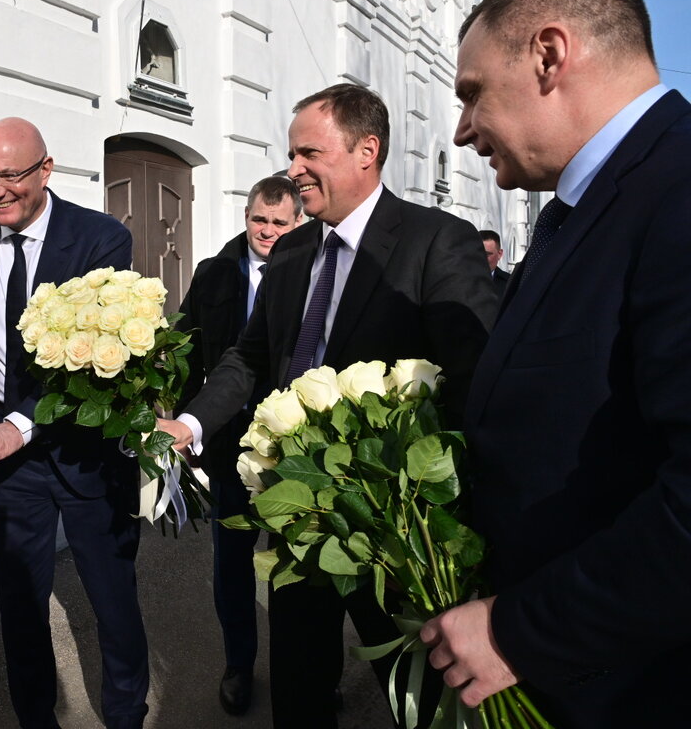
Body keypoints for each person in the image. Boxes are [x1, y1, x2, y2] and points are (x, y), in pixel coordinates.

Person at [158, 83, 497, 728]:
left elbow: (475, 382)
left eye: (308, 151)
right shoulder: (290, 252)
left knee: (418, 696)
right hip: (298, 516)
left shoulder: (435, 242)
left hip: (395, 528)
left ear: (366, 150)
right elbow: (250, 358)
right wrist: (191, 420)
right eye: (292, 153)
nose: (294, 170)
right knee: (299, 686)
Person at [419, 0, 691, 727]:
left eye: (472, 93)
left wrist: (518, 631)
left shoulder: (678, 191)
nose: (464, 129)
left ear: (548, 55)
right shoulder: (581, 204)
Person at [0, 117, 147, 729]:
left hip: (86, 452)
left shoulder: (101, 239)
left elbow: (95, 370)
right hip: (6, 458)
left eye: (10, 176)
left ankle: (126, 717)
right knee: (21, 608)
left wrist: (18, 426)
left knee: (112, 604)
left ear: (45, 171)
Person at [175, 175, 302, 716]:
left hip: (296, 449)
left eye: (279, 222)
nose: (267, 231)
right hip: (228, 445)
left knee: (297, 568)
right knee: (232, 565)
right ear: (245, 216)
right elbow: (187, 349)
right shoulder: (214, 273)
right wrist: (183, 425)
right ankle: (238, 665)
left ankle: (306, 669)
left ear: (297, 223)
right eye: (259, 220)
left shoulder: (314, 271)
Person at [479, 229, 511, 295]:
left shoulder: (511, 284)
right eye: (478, 253)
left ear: (499, 254)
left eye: (487, 254)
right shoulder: (458, 280)